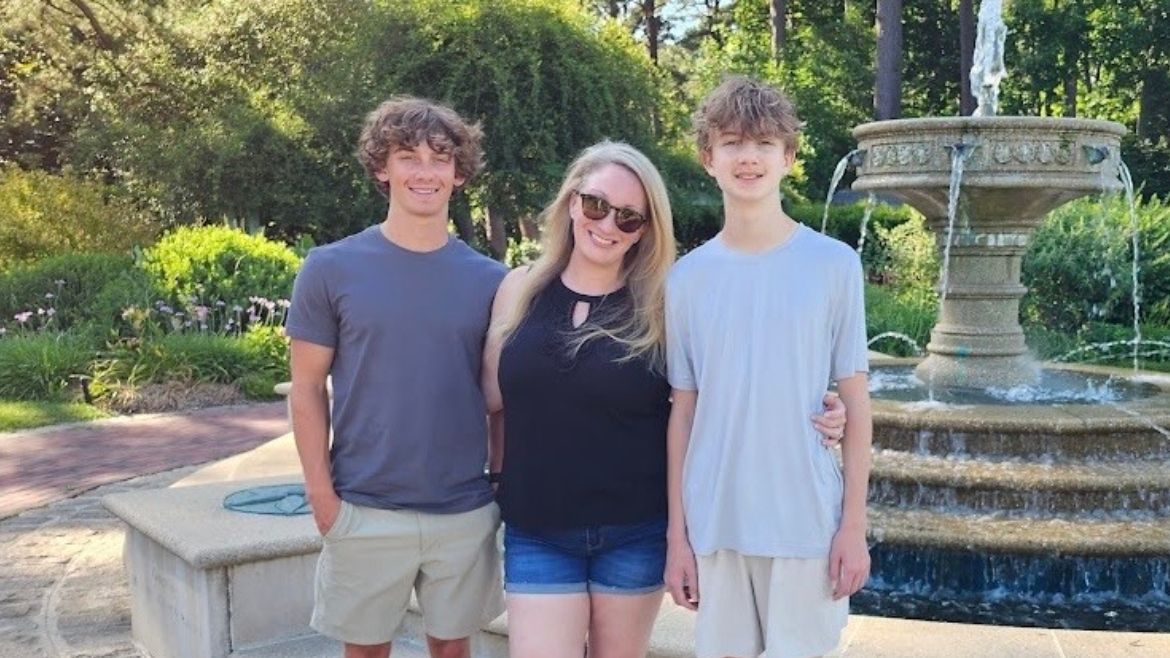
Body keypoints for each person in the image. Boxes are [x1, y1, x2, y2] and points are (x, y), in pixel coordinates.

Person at [481, 141, 848, 658]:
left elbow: (728, 380)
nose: (608, 225)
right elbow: (491, 399)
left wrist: (830, 408)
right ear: (571, 203)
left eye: (630, 218)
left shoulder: (665, 301)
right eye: (596, 205)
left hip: (633, 531)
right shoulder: (518, 290)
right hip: (538, 529)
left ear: (646, 230)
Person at [285, 96, 507, 658]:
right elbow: (307, 387)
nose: (425, 172)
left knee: (453, 650)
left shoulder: (491, 281)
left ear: (459, 174)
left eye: (440, 158)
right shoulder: (330, 268)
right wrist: (321, 497)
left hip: (462, 509)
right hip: (364, 506)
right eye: (408, 156)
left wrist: (499, 485)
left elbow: (502, 399)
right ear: (382, 168)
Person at [663, 76, 873, 658]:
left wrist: (853, 527)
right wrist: (676, 538)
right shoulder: (686, 280)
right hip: (716, 521)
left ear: (788, 156)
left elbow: (856, 406)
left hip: (805, 520)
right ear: (709, 158)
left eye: (763, 143)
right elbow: (684, 415)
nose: (747, 157)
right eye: (731, 142)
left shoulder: (834, 265)